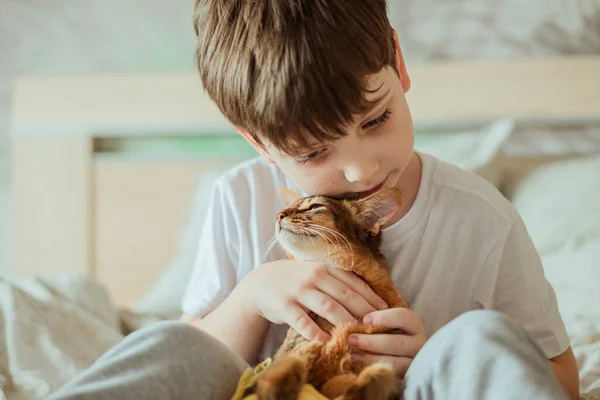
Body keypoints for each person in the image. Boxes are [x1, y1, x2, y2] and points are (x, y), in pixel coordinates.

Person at [50, 1, 580, 399]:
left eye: (376, 121)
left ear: (398, 62)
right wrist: (252, 296)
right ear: (258, 143)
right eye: (312, 153)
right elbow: (201, 355)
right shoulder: (240, 197)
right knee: (171, 346)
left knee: (477, 338)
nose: (361, 168)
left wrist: (430, 356)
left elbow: (561, 378)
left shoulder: (480, 218)